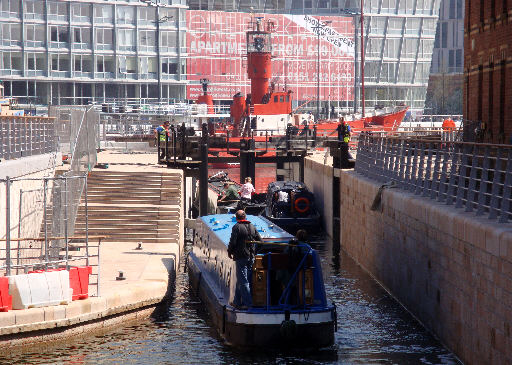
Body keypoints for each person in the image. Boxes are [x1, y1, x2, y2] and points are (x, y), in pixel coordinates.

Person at [227, 210, 262, 308]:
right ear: (245, 217)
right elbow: (260, 241)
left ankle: (248, 304)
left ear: (236, 218)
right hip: (251, 257)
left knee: (244, 281)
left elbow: (233, 242)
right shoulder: (252, 226)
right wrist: (255, 252)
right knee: (242, 280)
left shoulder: (236, 227)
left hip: (241, 257)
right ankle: (237, 302)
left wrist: (230, 252)